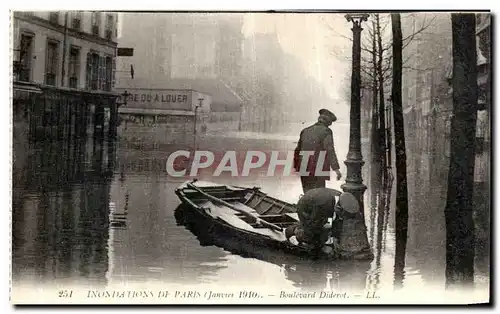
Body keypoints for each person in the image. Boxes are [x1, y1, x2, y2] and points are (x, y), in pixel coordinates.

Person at [285, 188, 360, 255]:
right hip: (306, 210)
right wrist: (322, 246)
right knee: (311, 236)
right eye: (342, 215)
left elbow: (336, 221)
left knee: (327, 228)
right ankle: (293, 230)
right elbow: (314, 225)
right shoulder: (324, 205)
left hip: (321, 208)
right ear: (339, 208)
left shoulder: (342, 199)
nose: (342, 217)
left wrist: (335, 238)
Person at [294, 109, 342, 194]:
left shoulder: (305, 130)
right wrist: (336, 169)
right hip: (318, 166)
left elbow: (297, 150)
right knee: (319, 195)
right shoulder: (326, 131)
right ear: (328, 122)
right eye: (330, 123)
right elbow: (330, 150)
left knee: (307, 194)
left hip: (304, 166)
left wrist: (296, 166)